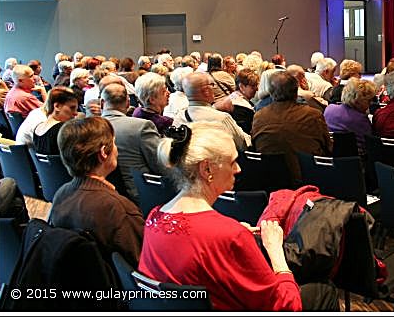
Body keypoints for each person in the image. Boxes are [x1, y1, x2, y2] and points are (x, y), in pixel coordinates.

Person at [138, 122, 337, 311]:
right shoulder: (229, 235)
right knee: (323, 291)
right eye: (232, 162)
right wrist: (275, 251)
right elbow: (285, 306)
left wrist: (232, 235)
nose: (238, 169)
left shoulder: (154, 217)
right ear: (207, 169)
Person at [50, 117, 144, 267]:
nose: (116, 149)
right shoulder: (119, 209)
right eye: (114, 142)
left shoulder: (61, 194)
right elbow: (143, 265)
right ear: (103, 153)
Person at [252, 71, 332, 183]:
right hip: (310, 181)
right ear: (296, 92)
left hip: (270, 182)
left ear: (270, 92)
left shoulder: (259, 116)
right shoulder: (313, 115)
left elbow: (256, 147)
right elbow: (328, 148)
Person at [101, 83, 164, 204]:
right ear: (128, 103)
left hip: (102, 197)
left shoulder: (87, 129)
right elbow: (160, 164)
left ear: (102, 103)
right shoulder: (142, 126)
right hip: (142, 198)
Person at [173, 72, 251, 152]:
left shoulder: (178, 118)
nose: (214, 88)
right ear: (206, 91)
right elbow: (243, 144)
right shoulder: (221, 118)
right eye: (212, 85)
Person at [323, 78, 375, 155]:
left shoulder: (329, 109)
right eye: (369, 100)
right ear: (358, 100)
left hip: (331, 158)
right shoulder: (360, 119)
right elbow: (369, 144)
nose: (370, 104)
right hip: (357, 160)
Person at [32, 87, 79, 156]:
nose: (76, 113)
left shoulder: (37, 128)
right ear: (57, 106)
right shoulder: (63, 129)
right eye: (72, 108)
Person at [226, 68, 259, 134]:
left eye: (256, 85)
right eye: (253, 86)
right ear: (241, 86)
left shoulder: (232, 100)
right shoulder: (239, 108)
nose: (257, 89)